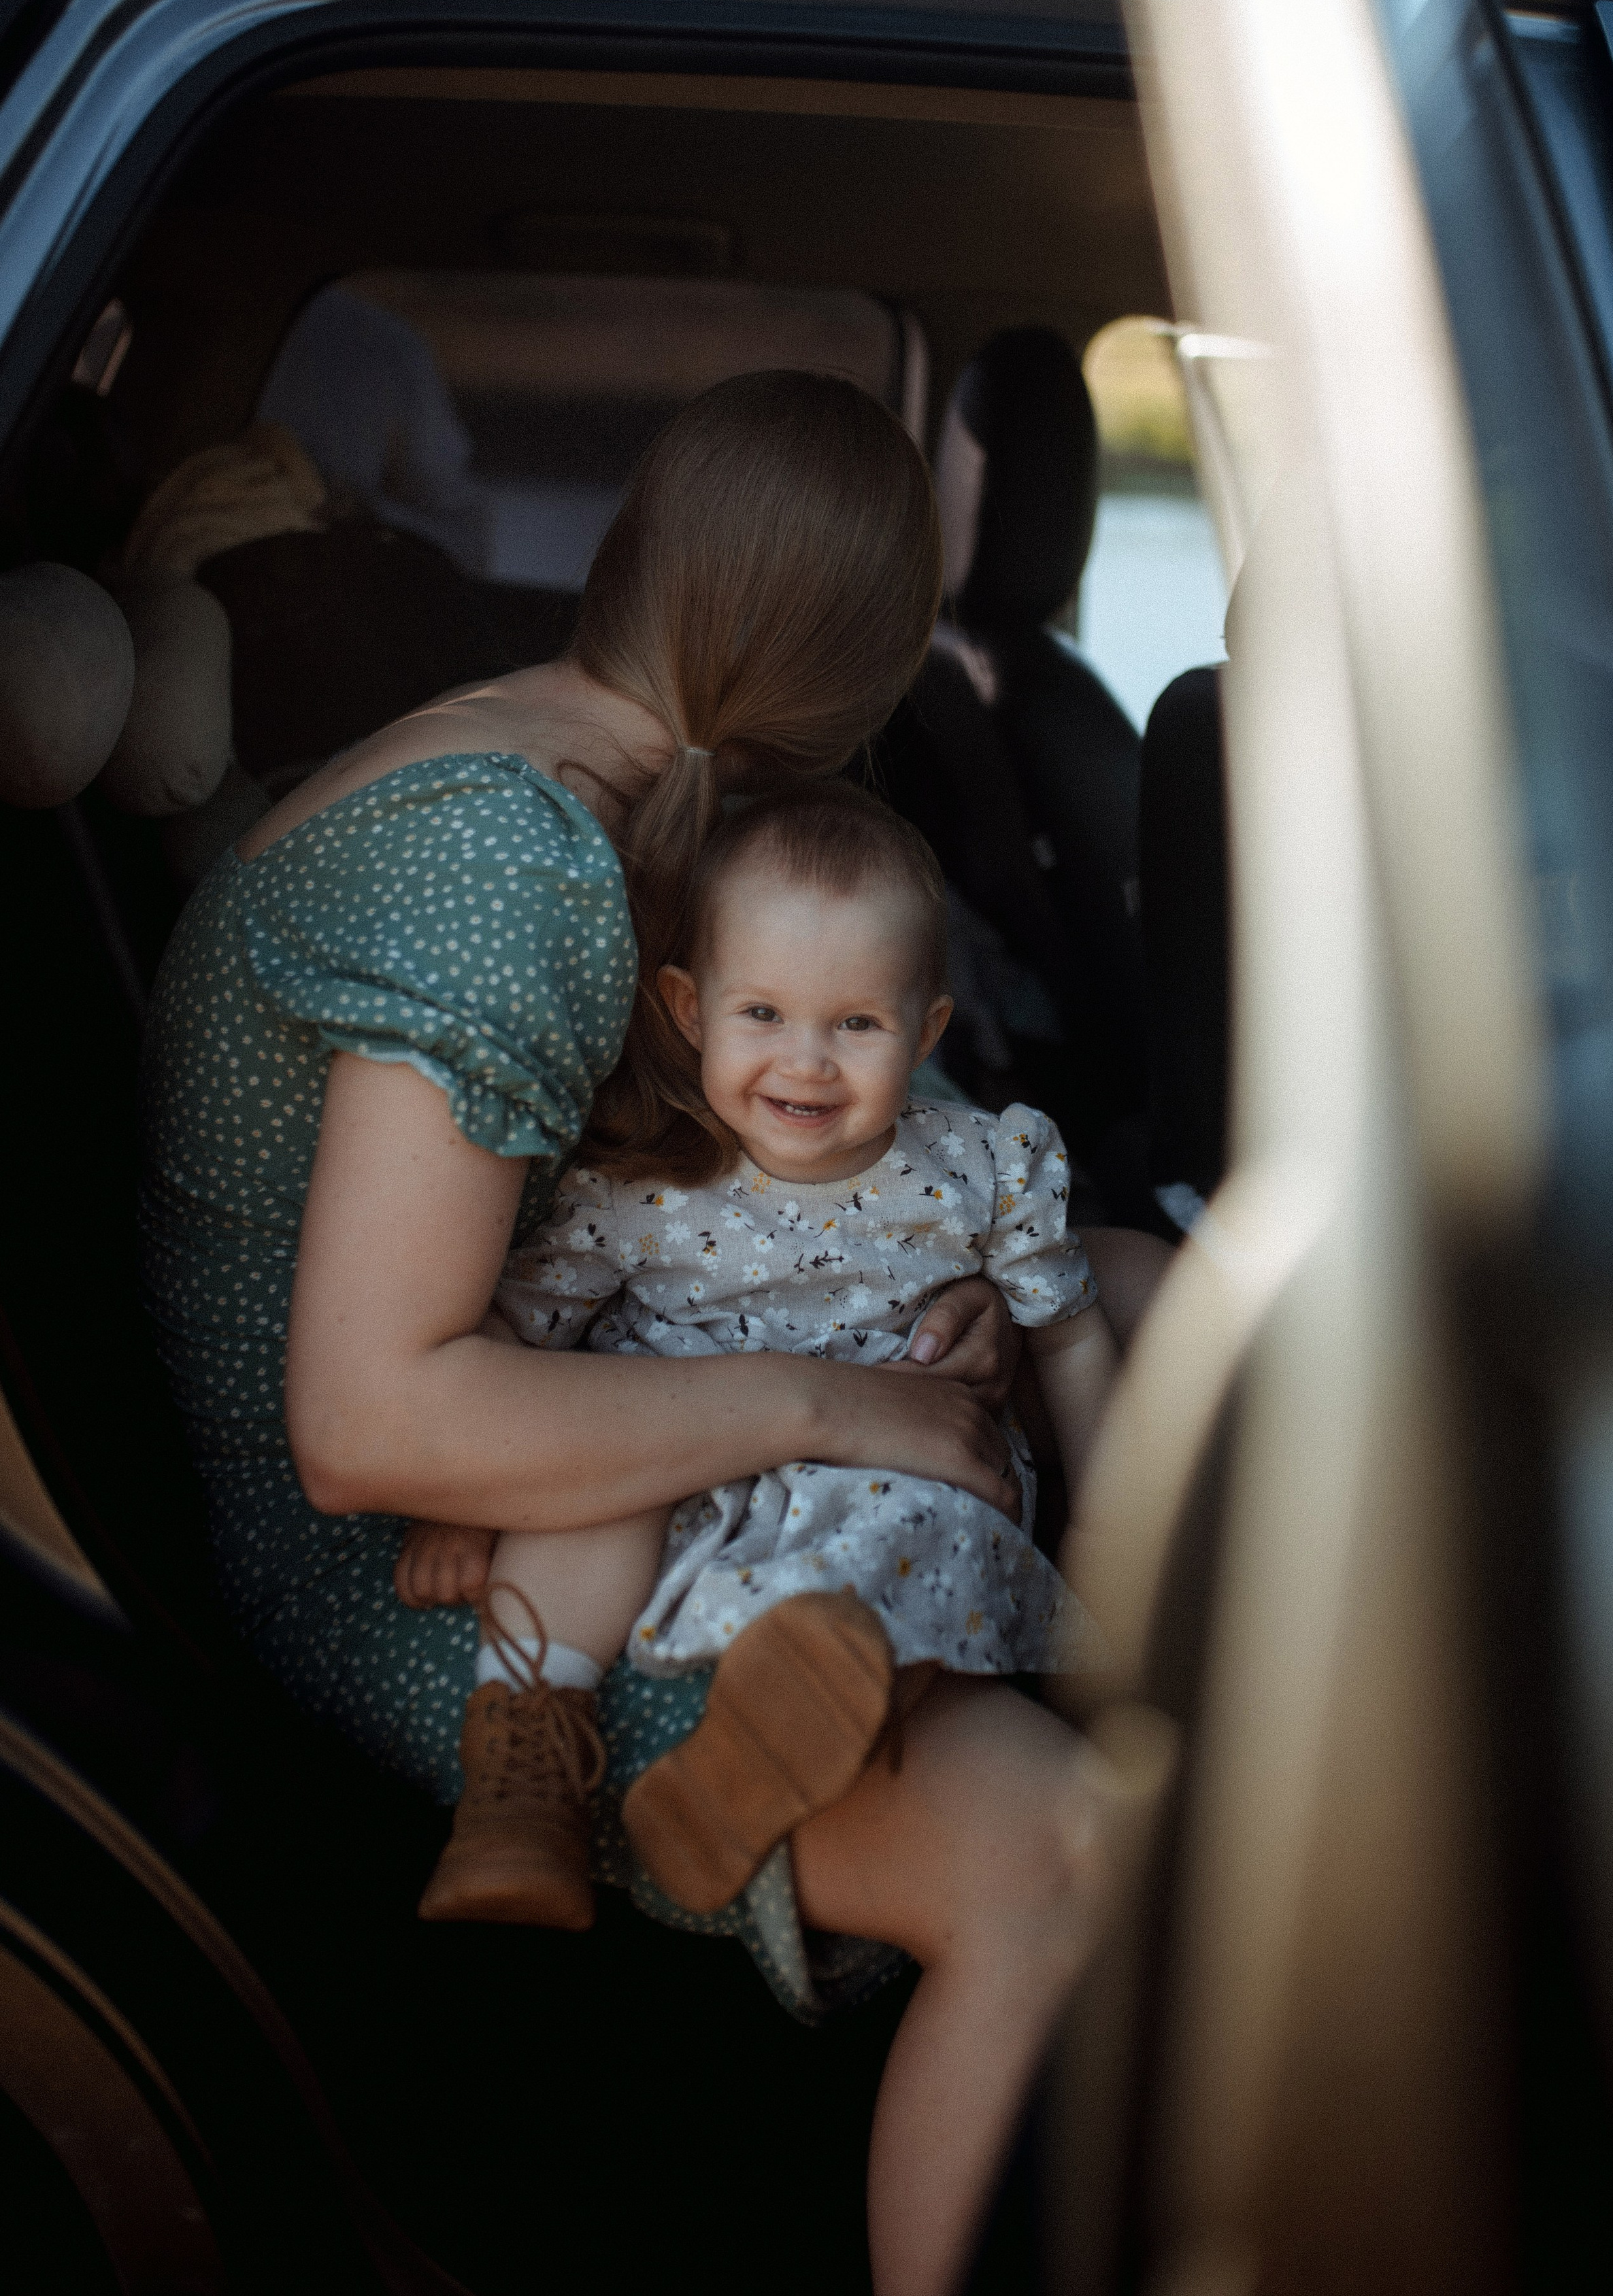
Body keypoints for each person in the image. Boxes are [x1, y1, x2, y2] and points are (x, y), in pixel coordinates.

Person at [139, 368, 1148, 2296]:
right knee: (1056, 1855)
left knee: (1120, 1280)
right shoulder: (513, 866)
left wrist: (937, 1304)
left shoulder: (560, 765)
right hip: (389, 1549)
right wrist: (841, 1392)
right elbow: (366, 1422)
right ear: (854, 692)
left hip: (519, 1414)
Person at [400, 781, 1118, 1931]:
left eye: (857, 1025)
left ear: (927, 1029)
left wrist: (1113, 1532)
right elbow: (513, 1349)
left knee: (938, 1525)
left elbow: (1071, 1334)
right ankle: (522, 1778)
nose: (808, 1063)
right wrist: (460, 1501)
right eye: (764, 1015)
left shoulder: (981, 1169)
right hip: (679, 1461)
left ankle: (748, 1768)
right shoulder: (637, 1190)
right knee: (592, 1452)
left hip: (889, 1471)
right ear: (689, 1009)